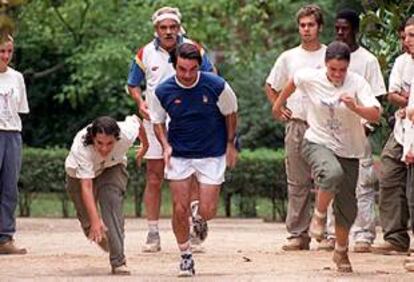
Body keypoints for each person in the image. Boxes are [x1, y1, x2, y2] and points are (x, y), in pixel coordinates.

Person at [273, 41, 381, 272]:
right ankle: (319, 216)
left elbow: (375, 114)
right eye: (333, 69)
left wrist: (356, 108)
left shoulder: (357, 83)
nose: (337, 74)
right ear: (325, 65)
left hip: (350, 148)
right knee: (331, 173)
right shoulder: (311, 77)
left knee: (347, 206)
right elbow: (292, 81)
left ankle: (341, 251)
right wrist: (278, 105)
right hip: (317, 140)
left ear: (348, 67)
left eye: (342, 70)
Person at [127, 6, 215, 253]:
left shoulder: (194, 49)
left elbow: (211, 76)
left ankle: (192, 231)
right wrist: (140, 102)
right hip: (154, 120)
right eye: (163, 28)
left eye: (172, 27)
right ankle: (153, 233)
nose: (168, 32)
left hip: (188, 121)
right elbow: (133, 85)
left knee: (192, 176)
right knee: (154, 176)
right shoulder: (144, 52)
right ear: (156, 29)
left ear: (179, 28)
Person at [150, 43, 238, 276]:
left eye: (192, 69)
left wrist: (231, 143)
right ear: (174, 66)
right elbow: (157, 121)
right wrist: (165, 145)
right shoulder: (162, 91)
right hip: (179, 153)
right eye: (182, 69)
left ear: (200, 66)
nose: (187, 75)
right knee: (179, 209)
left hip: (212, 151)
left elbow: (231, 113)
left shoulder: (217, 86)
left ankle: (199, 215)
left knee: (209, 210)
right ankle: (185, 256)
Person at [320, 8, 387, 253]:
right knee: (331, 182)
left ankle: (363, 235)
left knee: (363, 185)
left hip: (360, 132)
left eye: (345, 28)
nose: (340, 32)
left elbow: (378, 96)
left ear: (356, 31)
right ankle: (331, 234)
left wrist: (366, 127)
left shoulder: (367, 60)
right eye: (337, 28)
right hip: (332, 133)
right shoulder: (330, 55)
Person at [264, 4, 326, 251]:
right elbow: (270, 85)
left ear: (319, 27)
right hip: (297, 123)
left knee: (326, 178)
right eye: (303, 25)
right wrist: (279, 108)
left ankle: (327, 233)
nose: (307, 29)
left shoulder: (329, 54)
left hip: (324, 125)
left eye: (311, 24)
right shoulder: (288, 57)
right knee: (297, 181)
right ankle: (298, 233)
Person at [65, 115, 148, 275]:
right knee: (90, 224)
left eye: (110, 143)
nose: (104, 148)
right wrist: (95, 221)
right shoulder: (81, 146)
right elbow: (87, 186)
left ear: (117, 138)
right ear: (92, 138)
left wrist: (145, 145)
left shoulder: (126, 133)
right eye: (99, 143)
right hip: (77, 175)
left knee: (111, 204)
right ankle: (110, 240)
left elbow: (137, 121)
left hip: (112, 167)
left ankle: (118, 261)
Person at [371, 17, 414, 256]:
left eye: (412, 35)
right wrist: (409, 101)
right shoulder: (401, 62)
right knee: (388, 172)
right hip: (402, 129)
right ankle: (395, 237)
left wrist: (406, 99)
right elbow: (392, 94)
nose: (407, 41)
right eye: (405, 36)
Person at [0, 35, 29, 255]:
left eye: (9, 51)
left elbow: (19, 109)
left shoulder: (17, 77)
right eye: (1, 51)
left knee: (9, 188)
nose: (6, 56)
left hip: (12, 134)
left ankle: (5, 237)